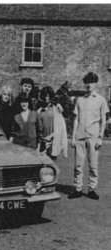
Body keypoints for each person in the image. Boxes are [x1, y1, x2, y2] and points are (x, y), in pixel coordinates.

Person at [68, 72, 109, 200]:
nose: (88, 85)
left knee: (93, 165)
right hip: (80, 136)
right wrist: (73, 137)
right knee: (78, 165)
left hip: (94, 136)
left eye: (91, 82)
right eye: (86, 82)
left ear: (96, 83)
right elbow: (76, 119)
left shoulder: (101, 100)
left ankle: (92, 189)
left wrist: (101, 137)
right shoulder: (80, 100)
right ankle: (78, 189)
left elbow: (103, 120)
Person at [38, 86, 68, 160]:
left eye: (48, 96)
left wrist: (52, 136)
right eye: (44, 95)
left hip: (53, 142)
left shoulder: (56, 109)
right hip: (42, 142)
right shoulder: (39, 111)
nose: (46, 98)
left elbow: (62, 127)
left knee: (52, 165)